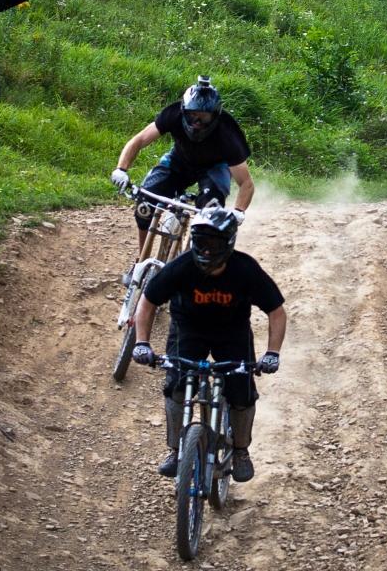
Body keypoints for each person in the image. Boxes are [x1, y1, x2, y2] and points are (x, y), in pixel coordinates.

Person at [130, 206, 287, 483]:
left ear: (228, 243)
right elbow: (148, 301)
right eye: (200, 242)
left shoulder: (245, 269)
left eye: (212, 243)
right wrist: (142, 343)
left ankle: (240, 451)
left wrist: (272, 353)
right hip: (188, 329)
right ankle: (176, 450)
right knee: (176, 387)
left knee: (241, 392)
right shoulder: (181, 266)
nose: (204, 250)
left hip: (232, 333)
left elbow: (276, 311)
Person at [110, 75, 255, 269]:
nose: (197, 122)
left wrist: (238, 212)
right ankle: (141, 260)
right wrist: (121, 169)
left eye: (204, 117)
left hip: (214, 169)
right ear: (183, 111)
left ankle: (194, 267)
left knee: (210, 219)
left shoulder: (228, 134)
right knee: (144, 206)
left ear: (216, 115)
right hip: (178, 161)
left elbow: (246, 183)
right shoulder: (174, 114)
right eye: (192, 115)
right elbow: (140, 140)